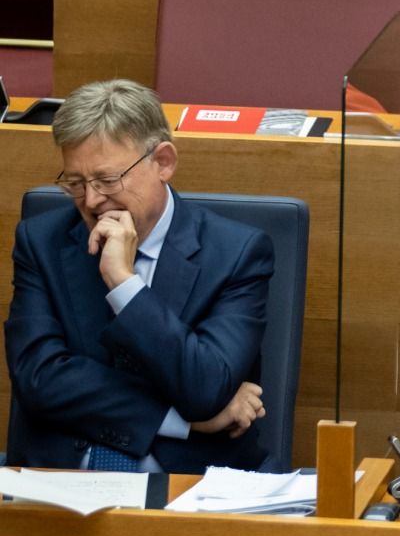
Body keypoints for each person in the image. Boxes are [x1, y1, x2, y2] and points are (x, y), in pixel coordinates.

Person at [4, 79, 273, 472]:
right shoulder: (42, 242)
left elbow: (206, 388)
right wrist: (179, 418)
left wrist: (124, 284)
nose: (92, 201)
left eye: (107, 180)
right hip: (57, 479)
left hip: (185, 490)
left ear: (163, 162)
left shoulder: (237, 254)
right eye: (75, 184)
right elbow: (40, 379)